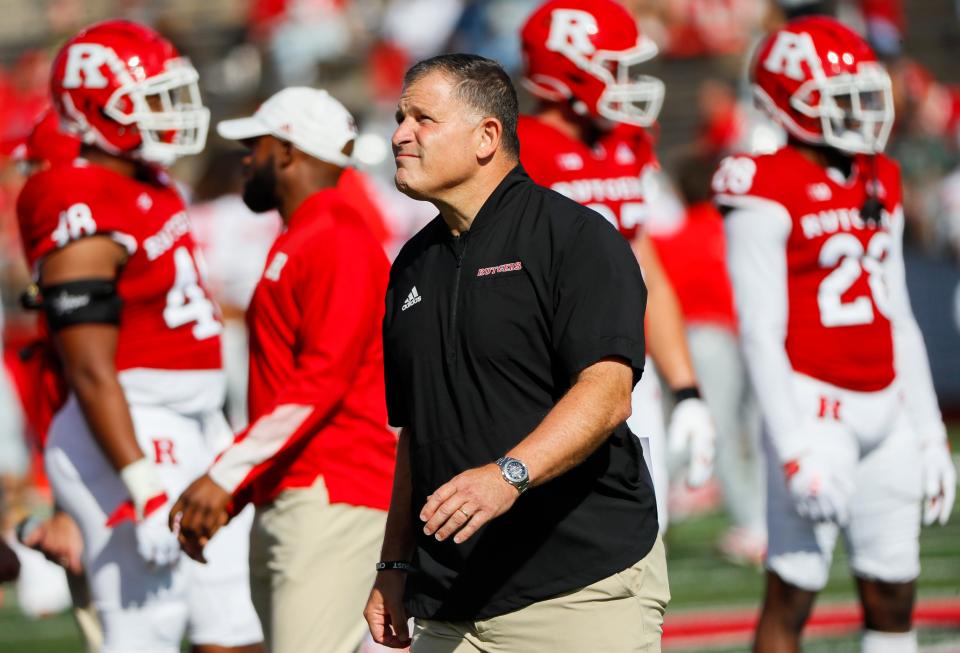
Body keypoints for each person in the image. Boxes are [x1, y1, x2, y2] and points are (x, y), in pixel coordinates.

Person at [364, 53, 668, 653]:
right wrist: (394, 565)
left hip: (577, 588)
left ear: (487, 137)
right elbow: (415, 433)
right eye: (400, 117)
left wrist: (508, 475)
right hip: (451, 602)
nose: (399, 134)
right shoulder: (411, 263)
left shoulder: (576, 238)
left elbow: (606, 393)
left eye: (422, 118)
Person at [16, 20, 262, 653]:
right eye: (148, 99)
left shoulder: (147, 180)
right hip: (132, 424)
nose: (168, 113)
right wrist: (145, 489)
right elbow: (90, 366)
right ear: (92, 109)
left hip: (197, 420)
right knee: (143, 629)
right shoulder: (75, 193)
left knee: (233, 621)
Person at [713, 17, 957, 653]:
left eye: (864, 92)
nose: (863, 110)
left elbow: (897, 312)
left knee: (894, 591)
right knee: (792, 592)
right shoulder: (761, 180)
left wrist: (930, 432)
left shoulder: (882, 175)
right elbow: (760, 331)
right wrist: (794, 448)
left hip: (888, 409)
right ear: (792, 99)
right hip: (813, 404)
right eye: (842, 96)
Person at [171, 87, 397, 653]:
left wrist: (226, 476)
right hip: (299, 489)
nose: (246, 159)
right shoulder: (305, 236)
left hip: (333, 490)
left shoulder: (338, 237)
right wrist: (242, 489)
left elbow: (322, 380)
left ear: (290, 151)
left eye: (256, 145)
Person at [517, 0, 716, 531]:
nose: (627, 80)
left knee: (646, 536)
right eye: (615, 65)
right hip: (550, 379)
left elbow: (647, 276)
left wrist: (687, 390)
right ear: (569, 69)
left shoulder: (625, 143)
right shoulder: (519, 149)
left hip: (629, 372)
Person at [650, 154, 766, 564]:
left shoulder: (674, 237)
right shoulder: (728, 229)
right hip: (735, 340)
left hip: (699, 339)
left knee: (707, 431)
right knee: (722, 434)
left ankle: (753, 523)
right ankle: (753, 524)